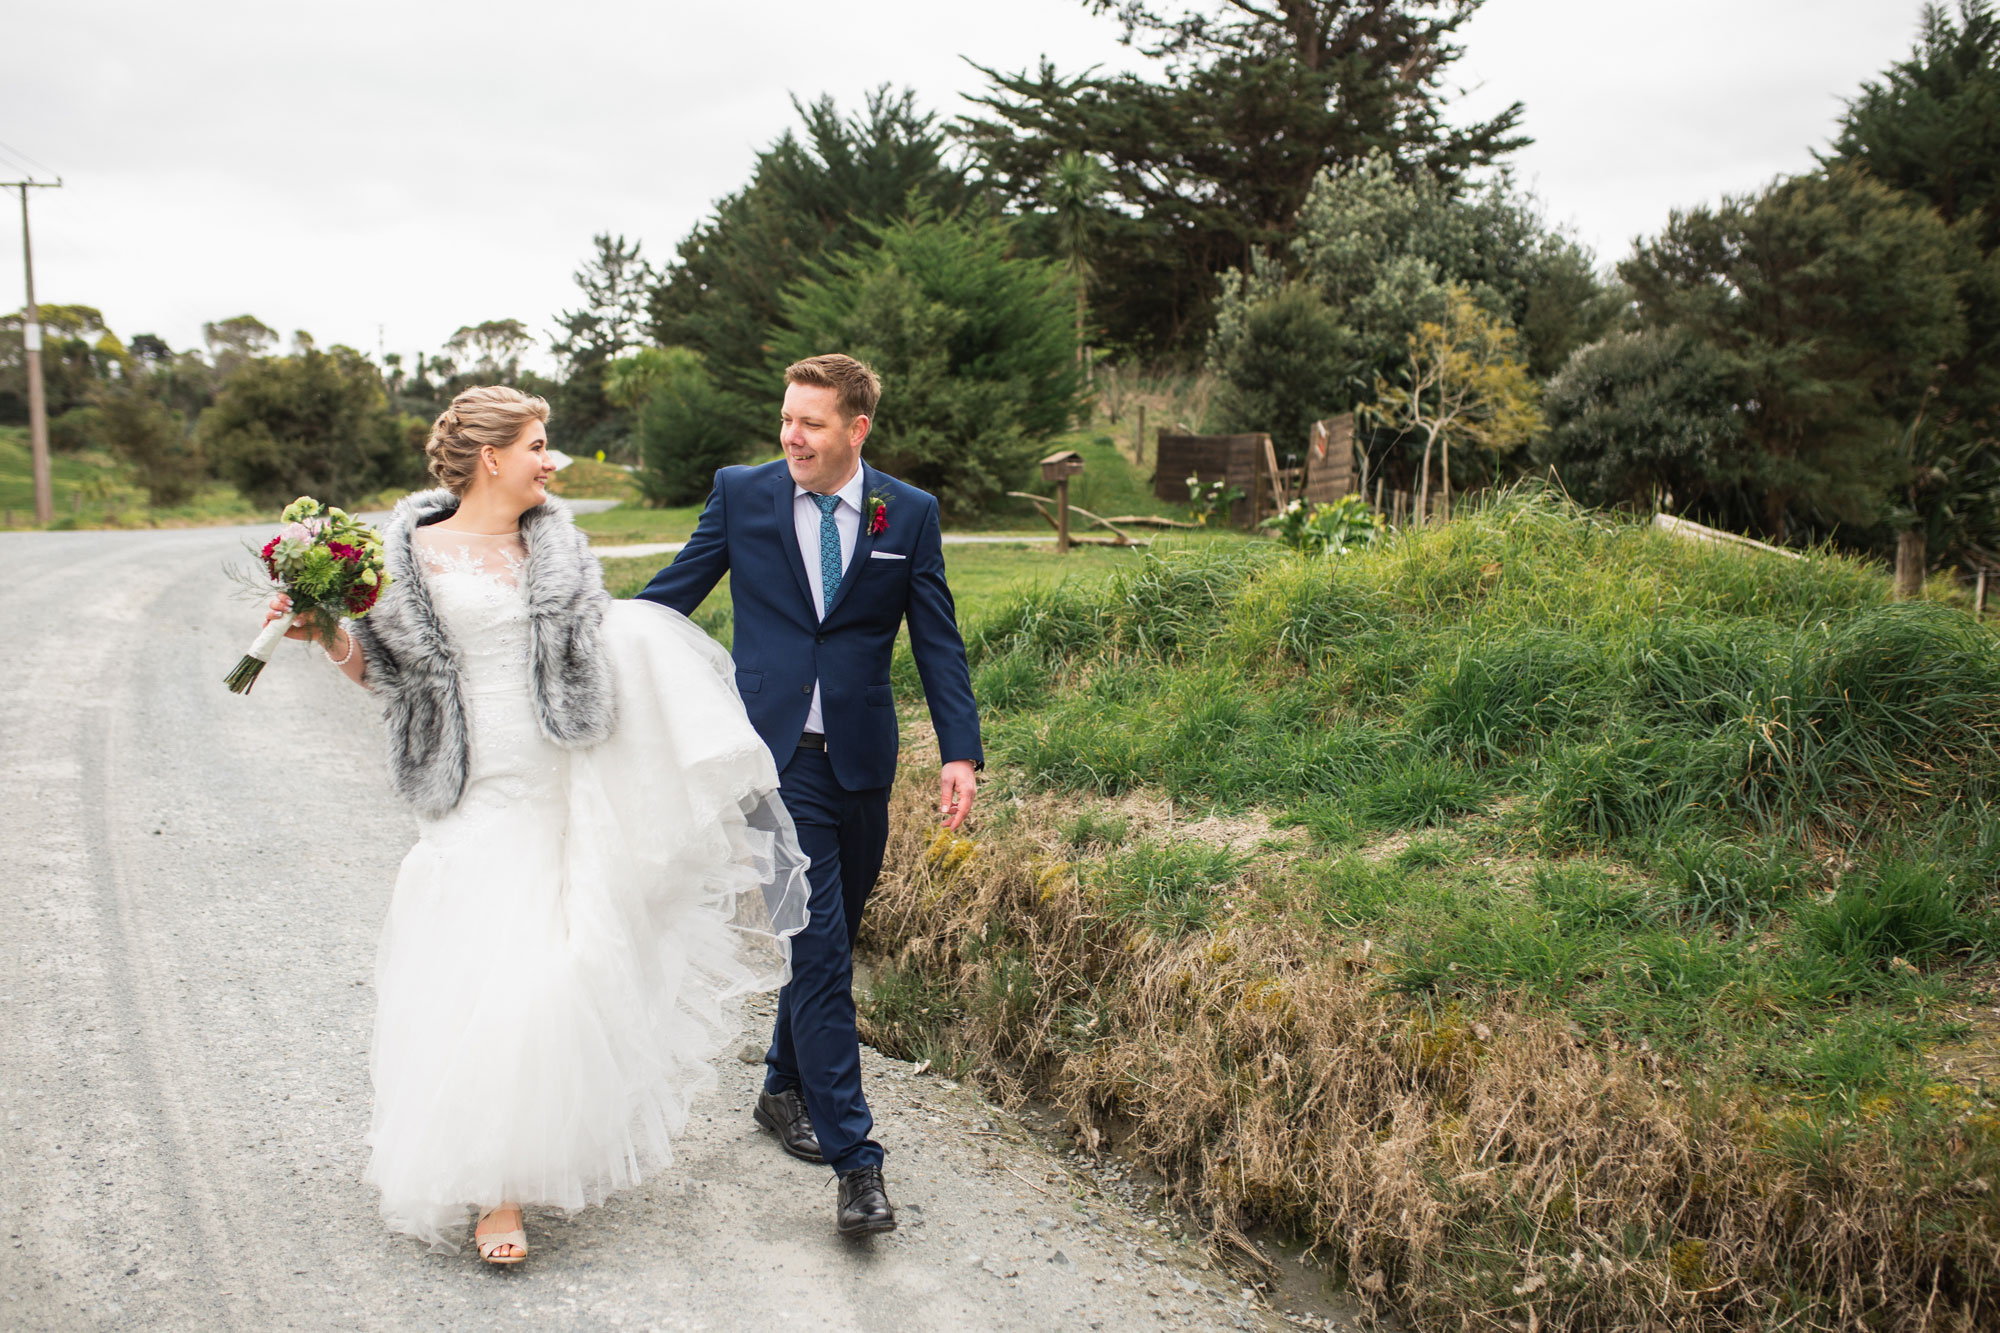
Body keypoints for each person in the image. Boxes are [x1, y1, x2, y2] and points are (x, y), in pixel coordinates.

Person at [258, 385, 809, 1263]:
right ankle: (495, 1191)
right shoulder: (406, 558)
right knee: (489, 972)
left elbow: (601, 657)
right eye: (539, 445)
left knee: (571, 964)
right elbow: (394, 678)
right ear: (492, 457)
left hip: (569, 780)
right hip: (477, 793)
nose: (551, 460)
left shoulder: (560, 552)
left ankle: (526, 1149)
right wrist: (328, 636)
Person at [638, 353, 982, 1238]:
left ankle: (778, 1086)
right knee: (823, 946)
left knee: (829, 935)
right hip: (775, 760)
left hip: (864, 760)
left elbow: (936, 639)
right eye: (786, 418)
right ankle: (858, 1164)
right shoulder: (743, 495)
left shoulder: (905, 513)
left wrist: (960, 752)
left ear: (856, 430)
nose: (791, 436)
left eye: (811, 423)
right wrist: (580, 649)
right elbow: (666, 602)